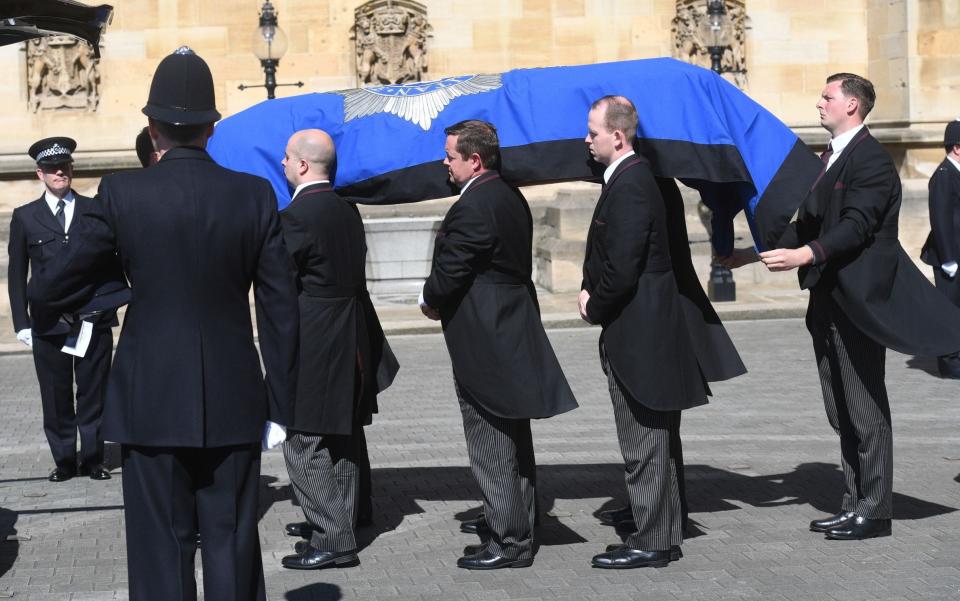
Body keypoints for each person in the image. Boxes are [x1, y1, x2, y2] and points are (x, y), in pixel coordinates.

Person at [27, 47, 299, 600]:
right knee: (231, 541)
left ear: (151, 128)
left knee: (159, 548)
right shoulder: (253, 195)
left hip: (149, 394)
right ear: (213, 126)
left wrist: (126, 286)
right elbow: (280, 310)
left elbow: (53, 285)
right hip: (234, 393)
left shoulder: (122, 194)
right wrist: (282, 404)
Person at [720, 73, 960, 540]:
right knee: (840, 408)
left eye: (827, 97)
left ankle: (875, 510)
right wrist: (752, 254)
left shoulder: (870, 159)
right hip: (827, 300)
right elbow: (808, 223)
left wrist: (806, 255)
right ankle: (854, 503)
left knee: (865, 405)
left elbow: (855, 226)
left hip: (860, 304)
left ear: (852, 105)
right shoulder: (829, 157)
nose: (818, 104)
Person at [419, 119, 578, 570]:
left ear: (474, 159)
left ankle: (508, 540)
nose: (444, 164)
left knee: (490, 439)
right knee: (512, 435)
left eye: (450, 156)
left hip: (486, 334)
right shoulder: (509, 195)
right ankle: (518, 523)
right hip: (509, 323)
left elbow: (452, 270)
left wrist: (428, 298)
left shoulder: (474, 204)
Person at [579, 95, 709, 569]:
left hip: (640, 328)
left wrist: (594, 302)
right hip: (644, 324)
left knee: (644, 440)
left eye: (593, 132)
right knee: (654, 437)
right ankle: (662, 527)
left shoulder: (632, 183)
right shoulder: (632, 177)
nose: (586, 140)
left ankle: (653, 539)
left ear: (617, 136)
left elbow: (624, 265)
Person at [277, 129, 399, 570]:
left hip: (318, 335)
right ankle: (341, 518)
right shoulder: (347, 209)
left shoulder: (297, 216)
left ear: (303, 165)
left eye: (288, 159)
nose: (284, 165)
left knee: (304, 439)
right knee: (343, 432)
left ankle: (333, 534)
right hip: (352, 332)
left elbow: (282, 282)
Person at [7, 136, 117, 482]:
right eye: (52, 169)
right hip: (49, 323)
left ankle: (94, 458)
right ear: (39, 174)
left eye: (64, 166)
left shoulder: (95, 210)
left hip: (90, 319)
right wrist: (21, 323)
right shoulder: (26, 218)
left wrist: (105, 307)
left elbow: (111, 265)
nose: (60, 172)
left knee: (93, 392)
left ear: (72, 169)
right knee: (55, 395)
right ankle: (65, 460)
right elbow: (16, 274)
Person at [920, 120, 960, 378]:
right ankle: (950, 362)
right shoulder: (944, 175)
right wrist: (947, 258)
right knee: (949, 310)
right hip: (950, 257)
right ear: (957, 147)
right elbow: (940, 218)